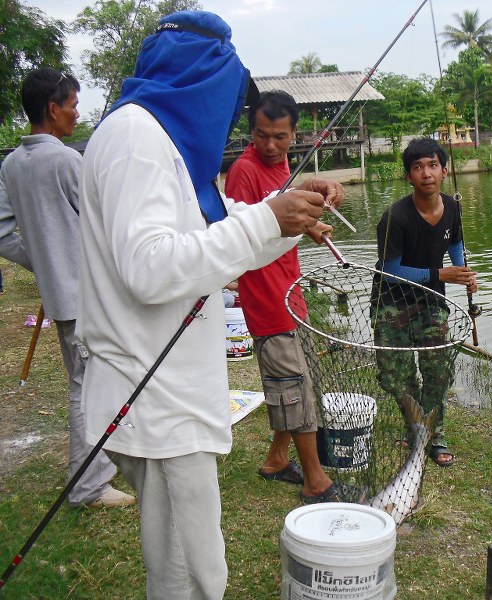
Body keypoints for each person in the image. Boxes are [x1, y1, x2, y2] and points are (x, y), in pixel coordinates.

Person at [77, 11, 334, 597]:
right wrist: (268, 219)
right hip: (153, 395)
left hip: (168, 392)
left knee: (190, 558)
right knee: (190, 571)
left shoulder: (160, 142)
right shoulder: (137, 138)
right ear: (203, 80)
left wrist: (287, 214)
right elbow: (150, 267)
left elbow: (217, 228)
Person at [0, 68, 133, 508]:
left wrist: (43, 261)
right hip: (86, 295)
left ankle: (105, 466)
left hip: (63, 294)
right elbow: (106, 225)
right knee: (86, 385)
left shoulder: (12, 164)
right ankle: (88, 485)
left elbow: (4, 233)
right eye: (73, 105)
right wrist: (54, 259)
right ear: (52, 109)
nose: (77, 114)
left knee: (89, 379)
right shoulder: (66, 160)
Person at [225, 90, 350, 503]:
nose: (271, 145)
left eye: (280, 137)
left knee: (296, 380)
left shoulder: (284, 168)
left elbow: (281, 218)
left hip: (291, 294)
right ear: (252, 133)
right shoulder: (244, 171)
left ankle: (277, 459)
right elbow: (242, 235)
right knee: (295, 390)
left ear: (295, 133)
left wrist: (311, 223)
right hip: (266, 299)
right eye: (262, 136)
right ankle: (316, 481)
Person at [372, 137, 478, 467]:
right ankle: (415, 427)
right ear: (408, 176)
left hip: (432, 303)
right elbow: (391, 273)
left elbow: (456, 241)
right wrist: (441, 275)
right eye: (417, 167)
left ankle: (436, 433)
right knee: (396, 378)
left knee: (438, 370)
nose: (426, 173)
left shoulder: (454, 207)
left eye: (432, 165)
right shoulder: (395, 218)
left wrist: (463, 272)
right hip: (391, 304)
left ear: (444, 171)